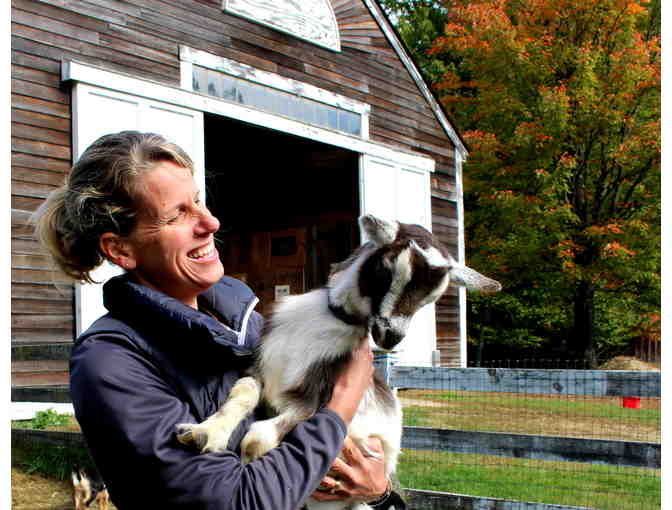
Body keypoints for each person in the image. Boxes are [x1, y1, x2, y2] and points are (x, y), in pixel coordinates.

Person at [33, 131, 402, 510]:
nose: (210, 222)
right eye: (177, 214)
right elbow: (235, 501)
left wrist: (379, 493)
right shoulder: (111, 362)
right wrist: (341, 403)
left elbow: (343, 461)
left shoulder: (252, 327)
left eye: (197, 201)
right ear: (120, 248)